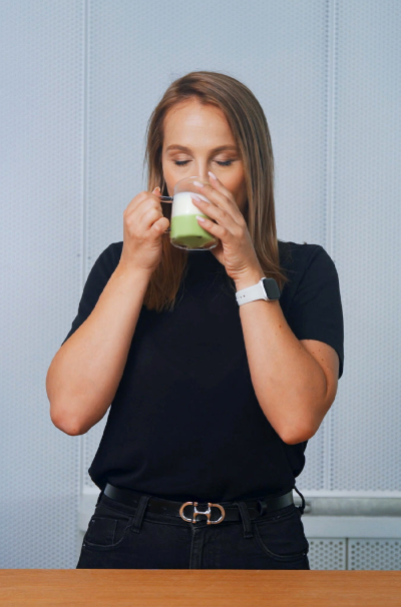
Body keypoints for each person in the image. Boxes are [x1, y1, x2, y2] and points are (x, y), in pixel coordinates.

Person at [46, 71, 344, 570]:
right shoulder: (120, 265)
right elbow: (70, 412)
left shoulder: (306, 268)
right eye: (181, 160)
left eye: (223, 161)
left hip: (260, 539)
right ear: (161, 171)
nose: (201, 181)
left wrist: (246, 271)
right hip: (128, 533)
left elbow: (296, 419)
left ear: (253, 169)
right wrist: (135, 266)